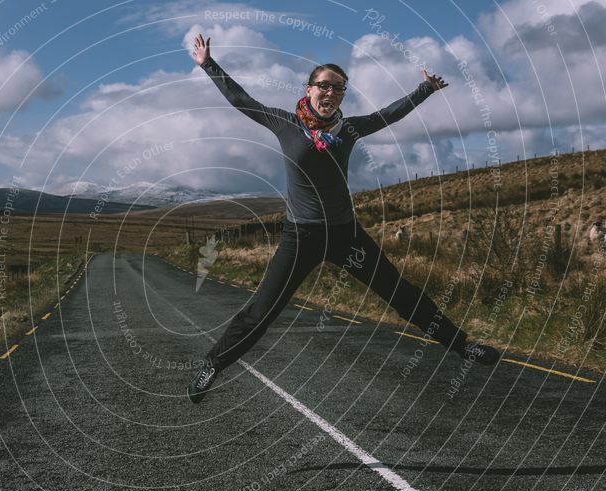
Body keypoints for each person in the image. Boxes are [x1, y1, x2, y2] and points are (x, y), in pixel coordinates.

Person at [187, 34, 500, 403]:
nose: (331, 93)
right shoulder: (284, 123)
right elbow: (241, 100)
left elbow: (388, 115)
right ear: (309, 89)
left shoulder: (347, 129)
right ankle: (213, 364)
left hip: (345, 235)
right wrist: (209, 64)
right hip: (300, 237)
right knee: (262, 311)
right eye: (324, 85)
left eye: (339, 88)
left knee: (400, 293)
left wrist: (425, 89)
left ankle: (463, 346)